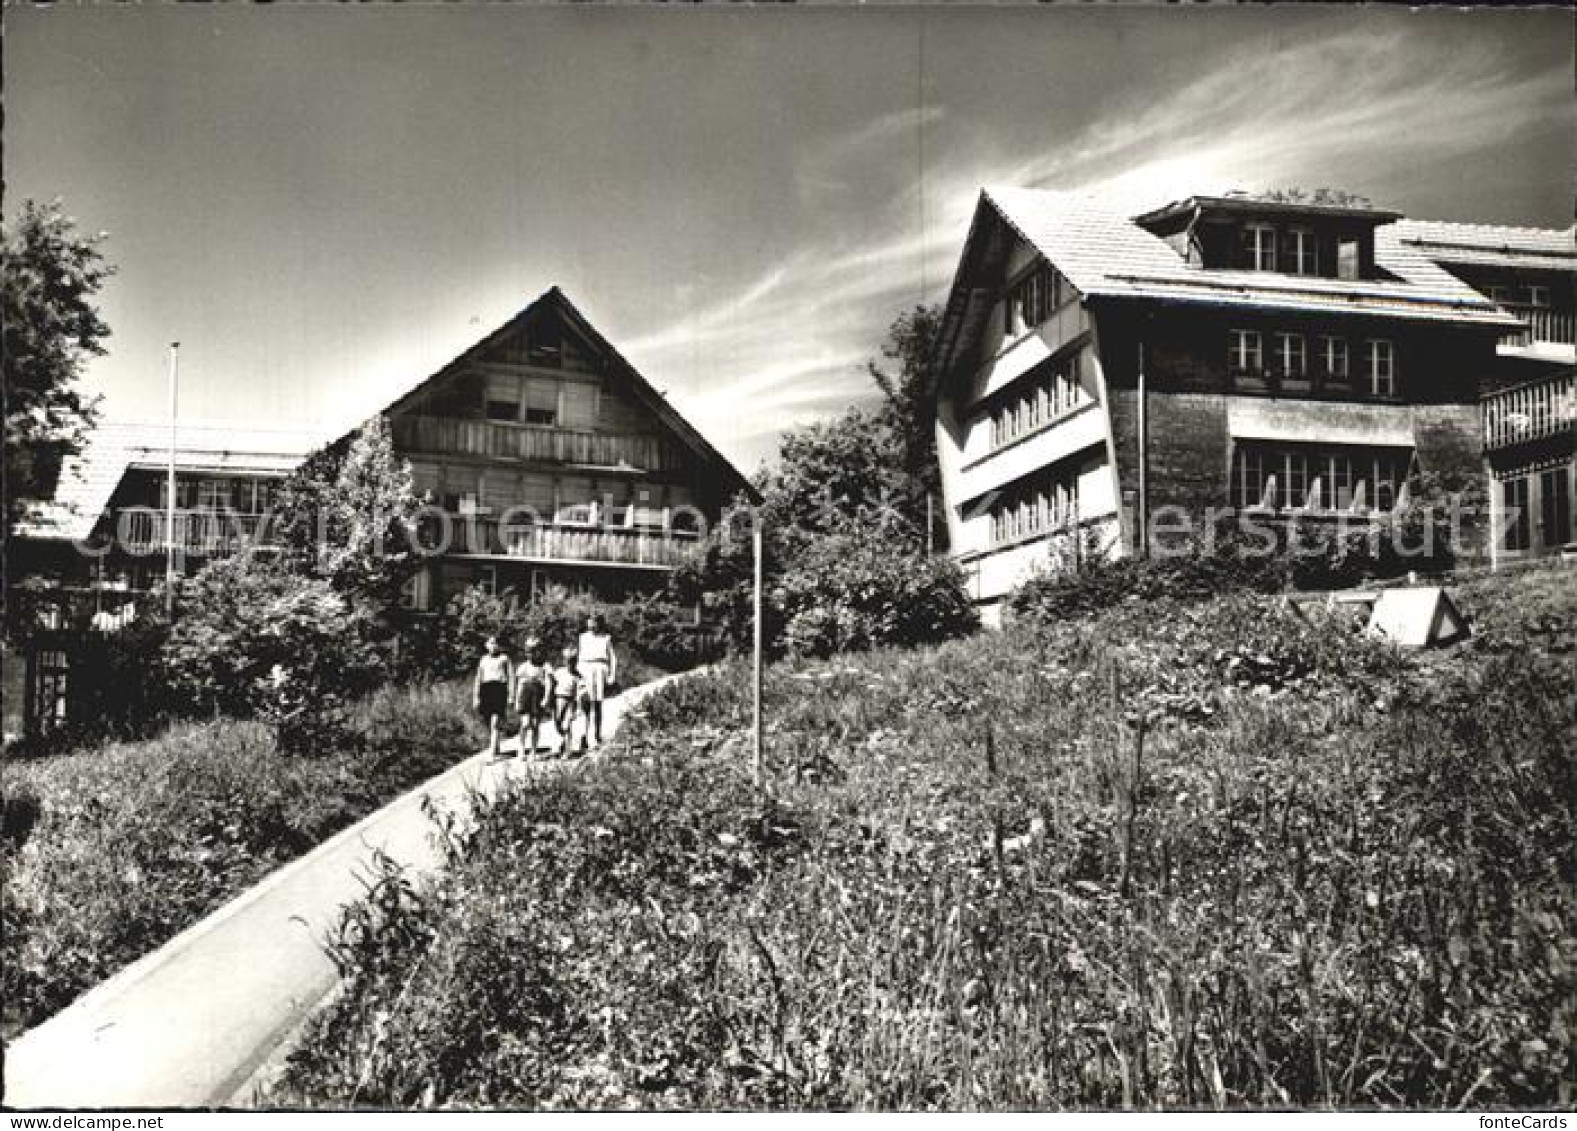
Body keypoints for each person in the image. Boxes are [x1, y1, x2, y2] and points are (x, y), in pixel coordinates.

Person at [576, 612, 619, 748]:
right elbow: (578, 656)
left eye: (594, 622)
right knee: (585, 703)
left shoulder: (606, 638)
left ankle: (597, 735)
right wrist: (577, 673)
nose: (591, 624)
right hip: (585, 669)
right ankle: (585, 735)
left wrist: (612, 675)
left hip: (600, 669)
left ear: (599, 623)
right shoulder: (582, 637)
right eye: (589, 621)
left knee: (598, 704)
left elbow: (613, 658)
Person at [473, 635, 514, 759]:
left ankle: (491, 753)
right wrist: (476, 697)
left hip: (499, 689)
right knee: (488, 721)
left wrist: (511, 695)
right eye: (491, 643)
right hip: (486, 690)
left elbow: (511, 677)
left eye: (495, 643)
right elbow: (478, 678)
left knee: (495, 721)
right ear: (486, 645)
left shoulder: (504, 658)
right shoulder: (483, 659)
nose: (493, 645)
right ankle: (495, 746)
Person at [514, 636, 552, 757]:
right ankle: (521, 747)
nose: (531, 654)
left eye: (534, 650)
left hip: (538, 696)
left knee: (535, 724)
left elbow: (548, 683)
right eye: (529, 651)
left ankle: (533, 750)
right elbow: (520, 685)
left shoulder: (545, 666)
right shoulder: (523, 667)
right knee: (525, 723)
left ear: (539, 651)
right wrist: (517, 700)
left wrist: (546, 698)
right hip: (525, 696)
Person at [548, 645, 584, 757]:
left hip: (570, 701)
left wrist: (578, 707)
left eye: (573, 661)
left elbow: (580, 692)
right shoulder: (559, 672)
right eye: (568, 661)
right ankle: (561, 743)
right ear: (564, 661)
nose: (570, 664)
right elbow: (551, 683)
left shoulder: (578, 676)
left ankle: (567, 751)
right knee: (557, 724)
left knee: (566, 726)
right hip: (558, 700)